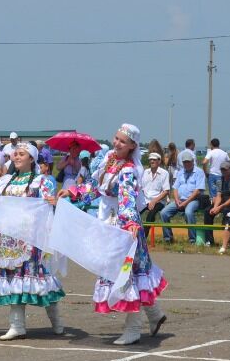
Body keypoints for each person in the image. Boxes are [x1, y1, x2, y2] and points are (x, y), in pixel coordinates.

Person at [0, 143, 65, 340]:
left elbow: (49, 204)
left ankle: (56, 321)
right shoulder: (5, 180)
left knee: (39, 281)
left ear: (32, 159)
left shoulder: (42, 181)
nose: (16, 157)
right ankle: (17, 326)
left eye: (21, 154)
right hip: (9, 238)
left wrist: (53, 203)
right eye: (15, 154)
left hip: (30, 238)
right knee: (14, 279)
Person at [88, 123, 168, 345]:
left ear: (133, 145)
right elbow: (96, 187)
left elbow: (127, 198)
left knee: (127, 276)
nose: (117, 143)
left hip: (123, 227)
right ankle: (155, 315)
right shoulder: (110, 161)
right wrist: (74, 193)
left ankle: (133, 329)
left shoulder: (128, 170)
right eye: (116, 138)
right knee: (133, 275)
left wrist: (131, 222)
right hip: (108, 223)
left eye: (123, 141)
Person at [161, 149, 206, 245]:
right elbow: (175, 188)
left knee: (188, 212)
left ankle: (192, 240)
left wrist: (185, 202)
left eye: (188, 162)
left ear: (192, 161)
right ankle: (168, 237)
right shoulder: (180, 172)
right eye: (185, 162)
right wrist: (177, 200)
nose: (186, 164)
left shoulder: (199, 172)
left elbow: (198, 191)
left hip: (194, 200)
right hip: (180, 200)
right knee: (164, 212)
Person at [140, 152, 170, 231]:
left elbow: (166, 191)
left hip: (159, 201)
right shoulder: (145, 172)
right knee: (135, 213)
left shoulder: (164, 173)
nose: (152, 161)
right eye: (150, 160)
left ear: (159, 161)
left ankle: (144, 239)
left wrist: (154, 201)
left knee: (150, 215)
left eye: (154, 160)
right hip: (145, 200)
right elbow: (141, 188)